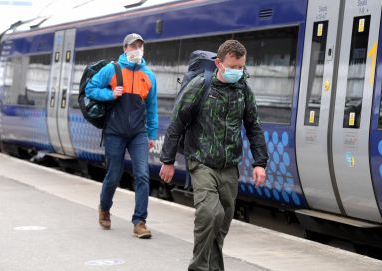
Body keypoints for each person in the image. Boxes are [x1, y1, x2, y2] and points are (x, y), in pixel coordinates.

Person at [159, 40, 268, 270]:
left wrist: (260, 163)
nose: (237, 72)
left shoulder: (244, 91)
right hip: (202, 162)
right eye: (233, 66)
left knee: (222, 224)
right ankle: (198, 267)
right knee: (210, 214)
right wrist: (167, 161)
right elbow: (177, 122)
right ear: (219, 63)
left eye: (241, 67)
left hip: (229, 167)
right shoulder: (201, 85)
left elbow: (254, 127)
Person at [85, 33, 158, 239]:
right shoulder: (112, 69)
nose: (137, 50)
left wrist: (151, 134)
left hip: (138, 133)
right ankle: (105, 207)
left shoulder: (149, 75)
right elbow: (90, 88)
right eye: (132, 46)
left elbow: (151, 108)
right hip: (114, 132)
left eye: (140, 46)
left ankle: (139, 222)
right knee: (114, 174)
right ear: (125, 48)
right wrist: (110, 94)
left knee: (143, 174)